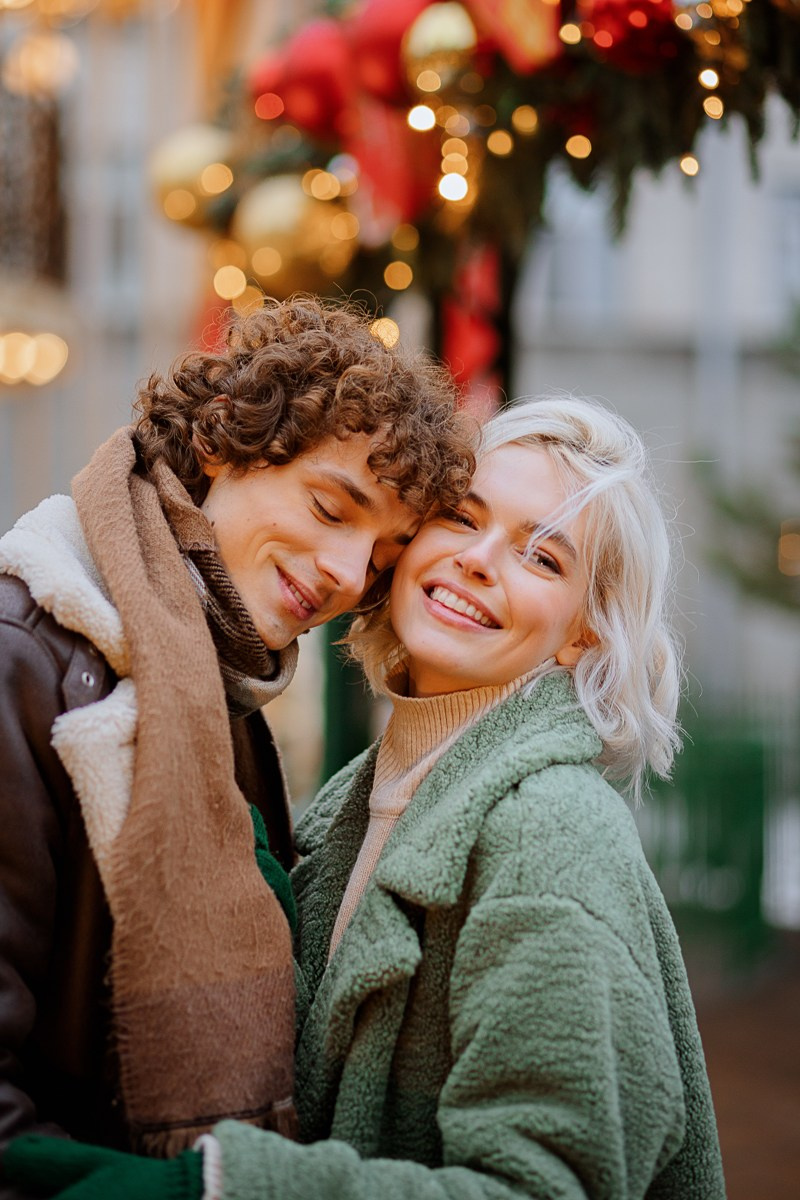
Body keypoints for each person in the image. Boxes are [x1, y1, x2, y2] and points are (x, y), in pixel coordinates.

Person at [2, 395, 726, 1200]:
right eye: (460, 518)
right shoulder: (358, 798)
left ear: (583, 632)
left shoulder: (551, 829)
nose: (480, 559)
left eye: (543, 557)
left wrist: (226, 1188)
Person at [0, 294, 475, 1191]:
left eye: (380, 557)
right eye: (334, 508)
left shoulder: (220, 689)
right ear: (222, 438)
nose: (346, 577)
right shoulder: (22, 662)